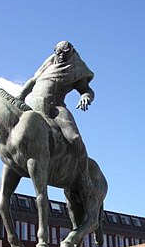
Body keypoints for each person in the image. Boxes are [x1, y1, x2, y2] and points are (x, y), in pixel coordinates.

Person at [18, 41, 95, 196]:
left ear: (71, 52)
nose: (60, 56)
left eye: (64, 53)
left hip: (55, 108)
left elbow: (86, 90)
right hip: (33, 106)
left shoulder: (76, 68)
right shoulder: (49, 62)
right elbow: (33, 81)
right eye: (57, 52)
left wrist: (86, 97)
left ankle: (85, 177)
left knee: (74, 138)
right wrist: (20, 96)